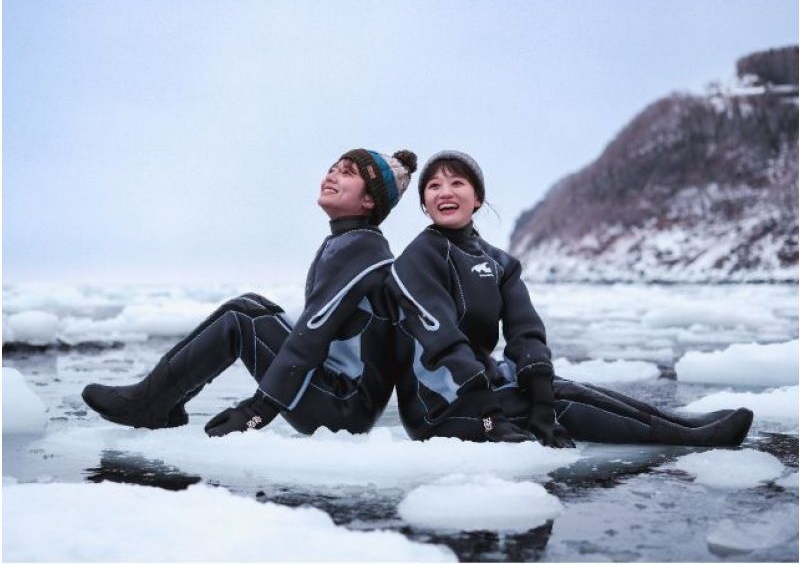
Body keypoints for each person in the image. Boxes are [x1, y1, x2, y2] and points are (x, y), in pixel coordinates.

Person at [388, 150, 753, 447]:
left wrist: (542, 398)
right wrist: (489, 415)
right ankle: (692, 439)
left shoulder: (499, 262)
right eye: (433, 186)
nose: (444, 192)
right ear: (424, 203)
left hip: (487, 389)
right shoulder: (420, 256)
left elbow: (526, 333)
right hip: (441, 407)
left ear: (478, 197)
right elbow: (443, 341)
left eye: (457, 182)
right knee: (562, 405)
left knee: (560, 390)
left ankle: (682, 422)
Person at [83, 148, 417, 437]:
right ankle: (162, 403)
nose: (331, 175)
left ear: (370, 199)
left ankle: (149, 403)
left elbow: (311, 336)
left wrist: (255, 412)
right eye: (333, 168)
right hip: (341, 400)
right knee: (250, 307)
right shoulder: (354, 245)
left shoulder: (362, 253)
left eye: (347, 173)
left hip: (340, 409)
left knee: (241, 318)